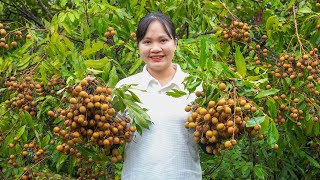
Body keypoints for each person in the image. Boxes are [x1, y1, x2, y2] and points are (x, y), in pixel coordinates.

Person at [116, 12, 202, 180]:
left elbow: (210, 141)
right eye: (147, 42)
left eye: (163, 40)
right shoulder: (124, 88)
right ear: (138, 46)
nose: (155, 48)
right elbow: (110, 139)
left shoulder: (197, 87)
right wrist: (90, 93)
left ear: (175, 43)